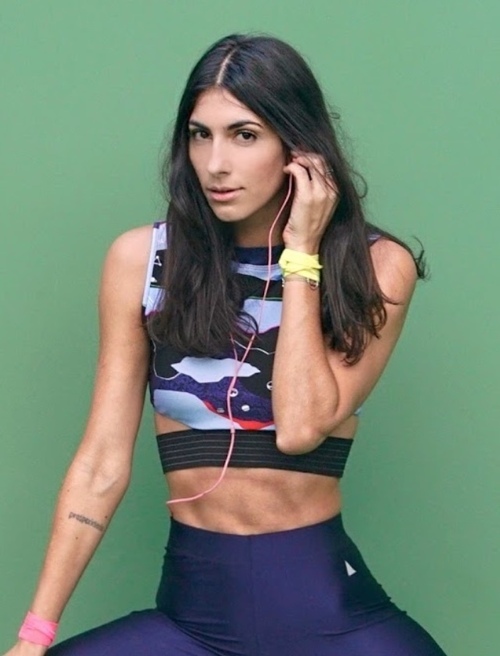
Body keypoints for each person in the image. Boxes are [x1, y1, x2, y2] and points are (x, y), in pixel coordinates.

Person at [4, 33, 447, 656]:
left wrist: (301, 255)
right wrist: (34, 633)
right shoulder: (143, 261)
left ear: (298, 146)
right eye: (199, 134)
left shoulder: (374, 266)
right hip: (192, 620)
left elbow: (300, 428)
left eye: (244, 135)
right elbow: (101, 464)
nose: (215, 163)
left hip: (334, 622)